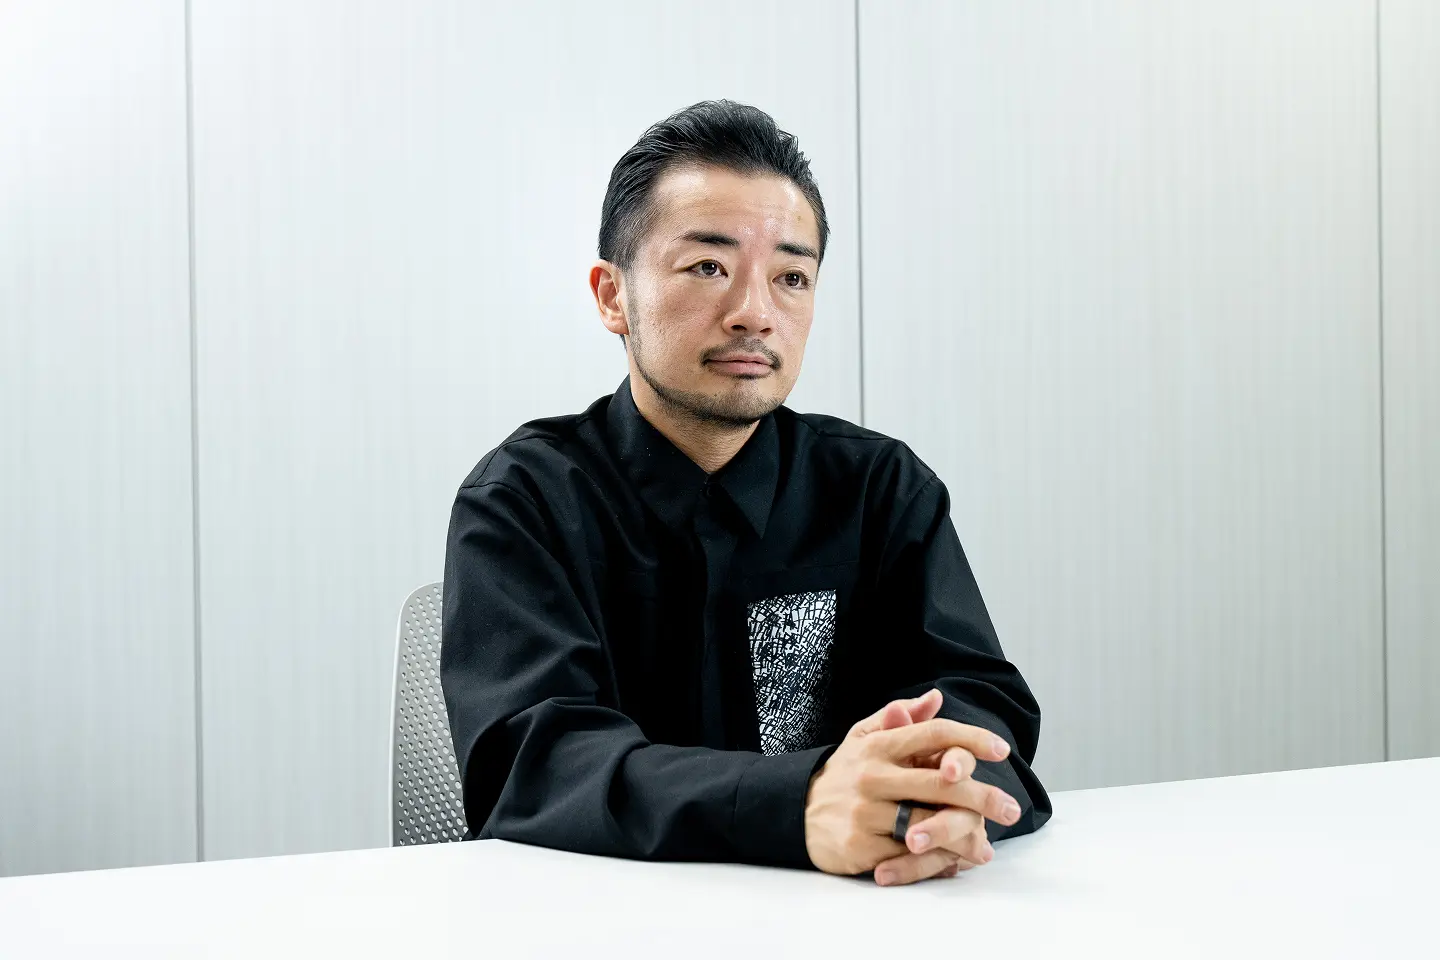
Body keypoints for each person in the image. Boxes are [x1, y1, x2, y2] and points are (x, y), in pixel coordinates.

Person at [441, 100, 1050, 887]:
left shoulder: (880, 488)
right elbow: (533, 764)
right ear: (612, 296)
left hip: (851, 918)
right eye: (708, 268)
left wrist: (934, 792)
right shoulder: (524, 500)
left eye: (791, 277)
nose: (755, 314)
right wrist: (799, 804)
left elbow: (977, 704)